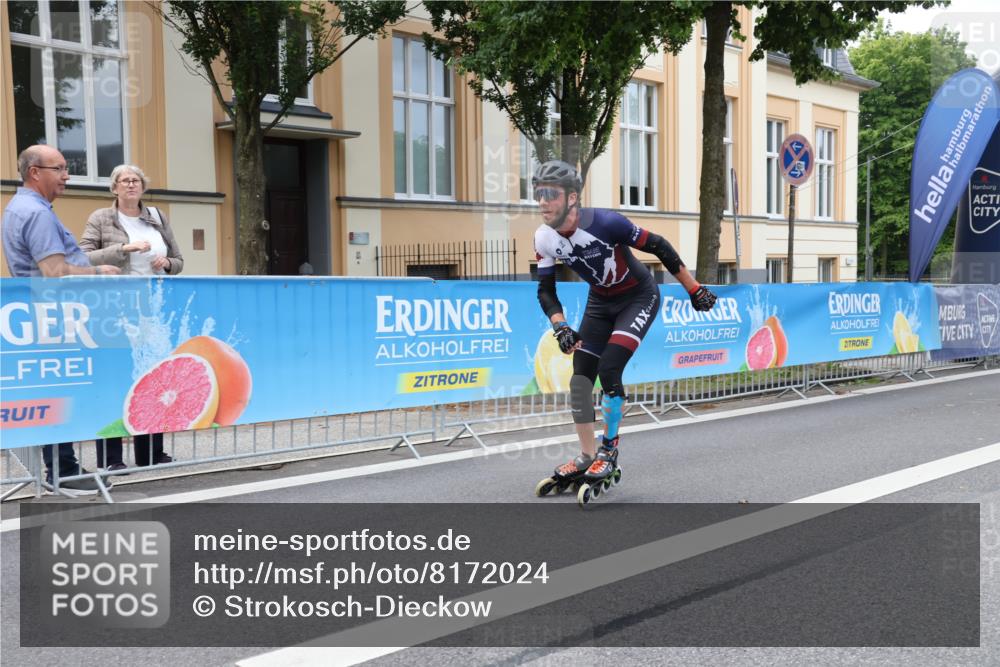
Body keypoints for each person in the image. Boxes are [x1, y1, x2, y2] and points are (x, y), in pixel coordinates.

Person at [530, 160, 717, 501]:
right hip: (600, 303)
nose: (542, 201)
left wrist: (694, 288)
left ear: (572, 198)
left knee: (610, 367)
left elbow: (659, 245)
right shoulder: (544, 238)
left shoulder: (606, 222)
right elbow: (545, 290)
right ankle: (587, 456)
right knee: (580, 379)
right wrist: (561, 328)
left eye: (550, 194)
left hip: (638, 297)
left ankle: (609, 450)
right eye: (538, 193)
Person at [2, 145, 121, 495]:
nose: (67, 176)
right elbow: (54, 271)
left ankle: (63, 468)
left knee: (55, 393)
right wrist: (98, 270)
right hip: (53, 314)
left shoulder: (21, 206)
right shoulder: (36, 213)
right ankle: (62, 473)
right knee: (59, 394)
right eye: (61, 168)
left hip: (45, 313)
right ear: (35, 172)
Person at [81, 164, 183, 471]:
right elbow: (82, 256)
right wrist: (123, 248)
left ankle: (152, 452)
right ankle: (111, 460)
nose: (130, 185)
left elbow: (179, 261)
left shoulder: (157, 217)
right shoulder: (101, 218)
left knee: (152, 379)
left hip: (154, 308)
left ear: (142, 186)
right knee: (116, 380)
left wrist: (166, 262)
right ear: (114, 188)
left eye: (135, 180)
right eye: (124, 181)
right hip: (114, 308)